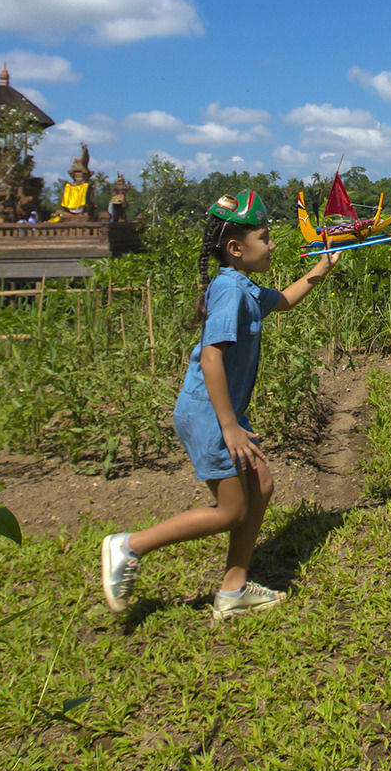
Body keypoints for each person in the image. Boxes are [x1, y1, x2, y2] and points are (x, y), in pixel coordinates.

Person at [99, 190, 335, 619]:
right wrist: (229, 427)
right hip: (211, 415)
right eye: (264, 238)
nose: (272, 245)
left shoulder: (243, 286)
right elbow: (211, 359)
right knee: (231, 511)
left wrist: (321, 268)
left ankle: (233, 589)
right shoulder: (230, 292)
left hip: (221, 412)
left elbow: (283, 301)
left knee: (261, 487)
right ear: (236, 248)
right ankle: (130, 546)